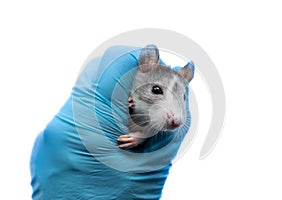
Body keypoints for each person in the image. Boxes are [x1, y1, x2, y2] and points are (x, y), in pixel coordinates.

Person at [30, 45, 192, 199]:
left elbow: (146, 129)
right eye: (157, 90)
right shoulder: (129, 85)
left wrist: (140, 137)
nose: (176, 119)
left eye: (182, 97)